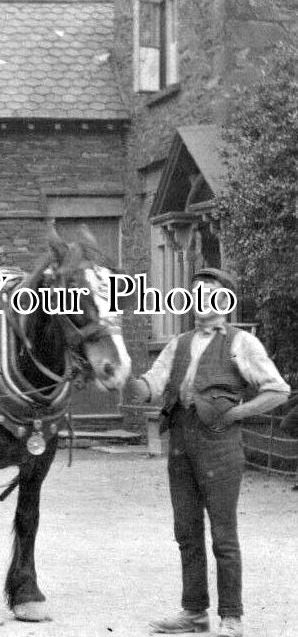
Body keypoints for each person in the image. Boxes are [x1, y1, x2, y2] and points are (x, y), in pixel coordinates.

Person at [126, 268, 290, 637]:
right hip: (181, 443)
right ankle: (194, 614)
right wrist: (123, 378)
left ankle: (231, 617)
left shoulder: (241, 342)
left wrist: (237, 413)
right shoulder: (178, 343)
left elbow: (277, 391)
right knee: (186, 530)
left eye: (210, 293)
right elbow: (151, 386)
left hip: (220, 446)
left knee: (223, 535)